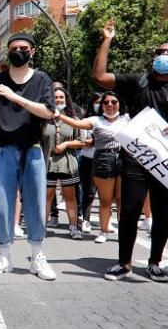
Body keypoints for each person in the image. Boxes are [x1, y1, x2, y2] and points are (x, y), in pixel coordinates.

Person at [92, 19, 168, 282]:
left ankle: (155, 263)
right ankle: (124, 263)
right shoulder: (137, 82)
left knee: (163, 216)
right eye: (159, 52)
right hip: (136, 159)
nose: (163, 56)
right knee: (129, 211)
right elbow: (99, 77)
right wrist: (107, 39)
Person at [0, 33, 57, 279]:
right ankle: (3, 257)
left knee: (35, 203)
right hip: (1, 149)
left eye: (23, 47)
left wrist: (14, 97)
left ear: (32, 51)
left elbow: (47, 112)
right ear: (7, 51)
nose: (18, 51)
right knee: (2, 204)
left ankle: (37, 256)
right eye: (13, 47)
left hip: (32, 148)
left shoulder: (42, 79)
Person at [58, 91, 127, 244]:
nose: (110, 105)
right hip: (103, 160)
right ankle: (103, 231)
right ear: (101, 105)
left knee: (122, 200)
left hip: (124, 160)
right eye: (106, 102)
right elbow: (76, 123)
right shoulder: (96, 120)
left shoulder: (127, 120)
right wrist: (59, 115)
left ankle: (124, 232)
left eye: (114, 102)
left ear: (120, 104)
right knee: (105, 200)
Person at [43, 87, 86, 240]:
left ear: (66, 100)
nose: (58, 100)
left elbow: (82, 142)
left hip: (68, 162)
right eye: (55, 97)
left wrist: (66, 145)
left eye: (61, 97)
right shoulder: (43, 119)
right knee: (47, 196)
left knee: (70, 196)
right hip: (47, 162)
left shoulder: (73, 119)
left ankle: (74, 227)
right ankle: (41, 227)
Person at [76, 93, 101, 234]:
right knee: (89, 192)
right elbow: (84, 142)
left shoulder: (109, 120)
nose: (100, 105)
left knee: (106, 193)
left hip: (106, 159)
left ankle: (106, 220)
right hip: (88, 159)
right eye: (96, 102)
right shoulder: (86, 120)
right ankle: (86, 219)